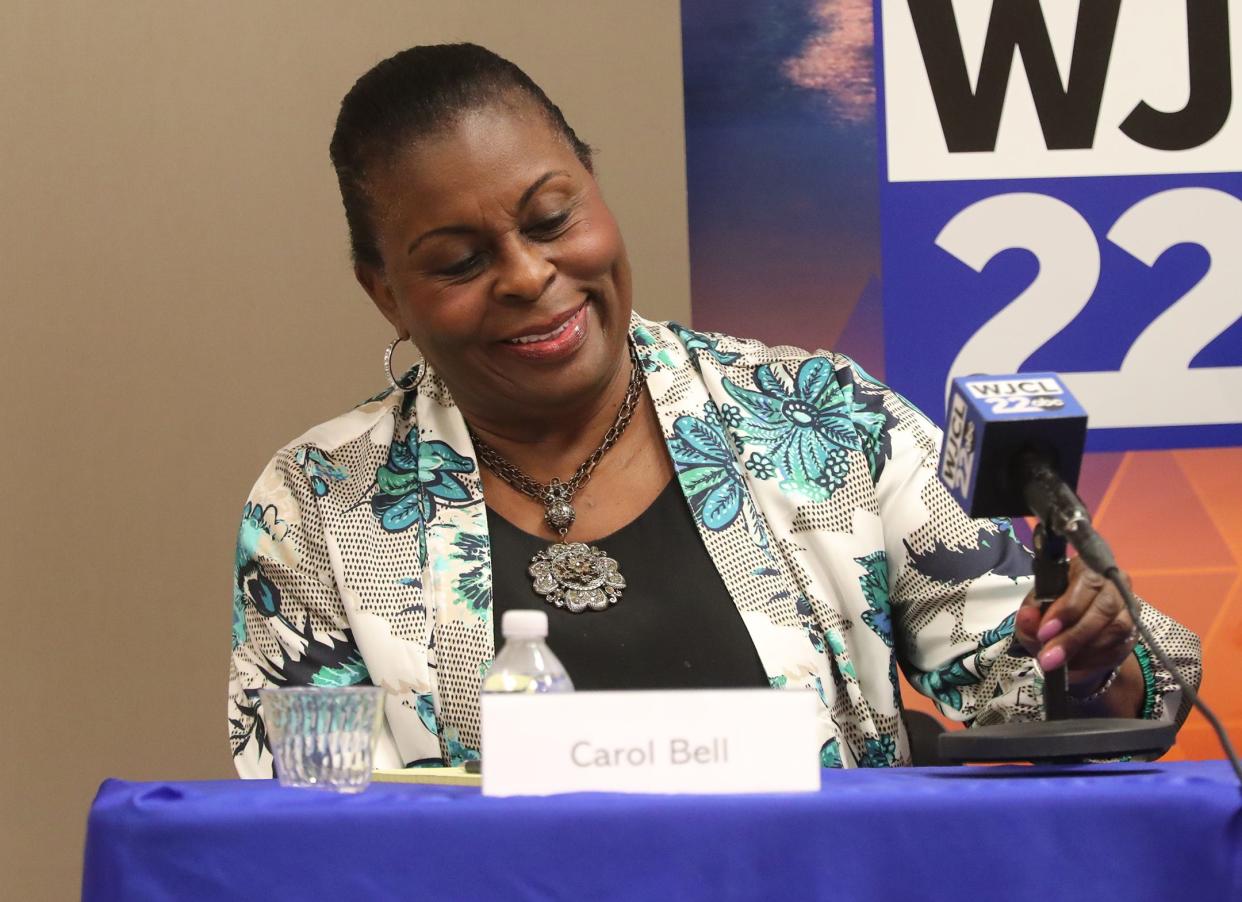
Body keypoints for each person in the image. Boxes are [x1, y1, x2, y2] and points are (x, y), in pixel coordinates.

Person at [229, 43, 1200, 775]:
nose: (529, 275)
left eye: (552, 216)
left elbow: (1057, 696)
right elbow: (298, 820)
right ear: (386, 292)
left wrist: (1086, 653)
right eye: (459, 261)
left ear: (597, 188)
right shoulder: (319, 502)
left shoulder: (817, 419)